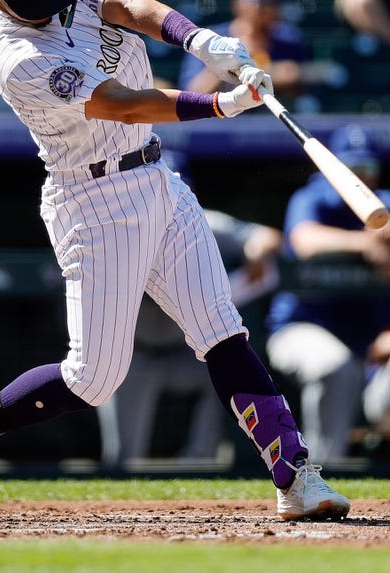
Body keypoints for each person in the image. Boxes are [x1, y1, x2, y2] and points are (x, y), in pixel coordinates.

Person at [0, 0, 350, 522]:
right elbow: (122, 104)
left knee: (221, 329)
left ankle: (295, 476)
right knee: (92, 379)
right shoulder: (16, 57)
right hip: (92, 202)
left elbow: (127, 3)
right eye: (38, 4)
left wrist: (200, 41)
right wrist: (220, 104)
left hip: (156, 179)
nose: (54, 6)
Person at [97, 151, 284, 467]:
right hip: (133, 356)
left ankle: (199, 464)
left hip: (187, 354)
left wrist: (255, 250)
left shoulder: (200, 221)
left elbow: (268, 236)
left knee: (228, 370)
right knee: (122, 459)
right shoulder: (123, 229)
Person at [265, 126, 390, 463]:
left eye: (368, 169)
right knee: (334, 366)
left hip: (367, 349)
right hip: (300, 327)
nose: (362, 177)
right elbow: (304, 240)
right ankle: (321, 473)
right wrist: (365, 244)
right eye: (353, 170)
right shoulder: (313, 197)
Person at [178, 0, 318, 101]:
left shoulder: (288, 38)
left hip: (269, 120)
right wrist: (226, 63)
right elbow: (190, 96)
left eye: (272, 3)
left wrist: (269, 72)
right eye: (257, 1)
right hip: (219, 121)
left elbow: (303, 88)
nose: (263, 9)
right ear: (237, 2)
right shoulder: (209, 38)